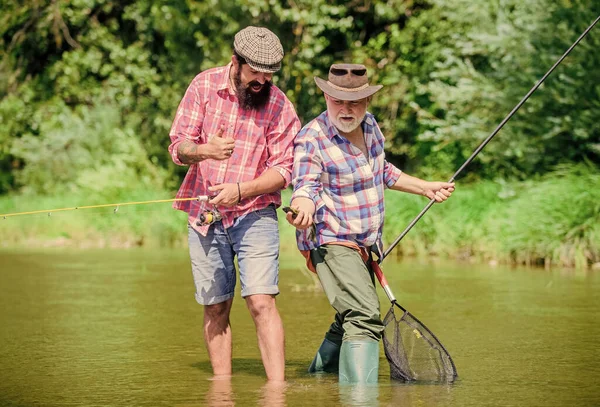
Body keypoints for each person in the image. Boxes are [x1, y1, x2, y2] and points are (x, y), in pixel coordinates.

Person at [285, 63, 454, 384]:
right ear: (325, 96)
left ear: (366, 102)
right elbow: (304, 184)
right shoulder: (311, 138)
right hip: (331, 240)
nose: (345, 109)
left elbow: (382, 170)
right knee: (363, 317)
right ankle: (360, 398)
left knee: (347, 317)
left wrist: (425, 187)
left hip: (365, 243)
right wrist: (302, 203)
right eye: (338, 101)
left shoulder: (371, 126)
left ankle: (318, 385)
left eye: (354, 102)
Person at [168, 26, 301, 382]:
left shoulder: (279, 105)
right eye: (254, 72)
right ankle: (222, 390)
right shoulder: (203, 86)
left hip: (255, 213)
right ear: (235, 62)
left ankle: (277, 391)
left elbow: (285, 169)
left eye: (268, 73)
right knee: (216, 306)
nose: (261, 80)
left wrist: (242, 190)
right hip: (205, 216)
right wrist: (203, 150)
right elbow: (178, 146)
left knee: (261, 301)